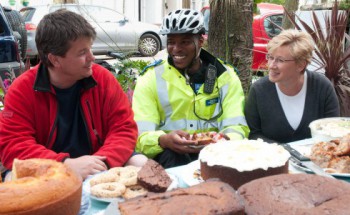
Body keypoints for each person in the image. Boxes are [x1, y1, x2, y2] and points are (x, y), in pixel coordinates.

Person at [0, 9, 147, 181]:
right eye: (82, 52)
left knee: (141, 163)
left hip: (98, 160)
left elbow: (123, 129)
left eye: (90, 49)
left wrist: (102, 163)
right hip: (50, 169)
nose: (92, 57)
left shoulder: (102, 79)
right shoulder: (22, 89)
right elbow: (14, 144)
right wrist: (64, 164)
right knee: (13, 178)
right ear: (55, 60)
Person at [132, 9, 249, 168]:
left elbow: (237, 126)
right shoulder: (150, 79)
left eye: (185, 42)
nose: (176, 49)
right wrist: (162, 140)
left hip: (216, 157)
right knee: (170, 157)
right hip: (171, 158)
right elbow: (140, 137)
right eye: (171, 42)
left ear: (201, 41)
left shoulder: (225, 76)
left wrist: (226, 140)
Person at [245, 29, 340, 144]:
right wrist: (284, 151)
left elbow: (333, 131)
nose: (271, 65)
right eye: (270, 57)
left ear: (300, 65)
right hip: (273, 159)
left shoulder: (322, 87)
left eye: (280, 60)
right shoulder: (259, 90)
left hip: (315, 159)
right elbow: (253, 134)